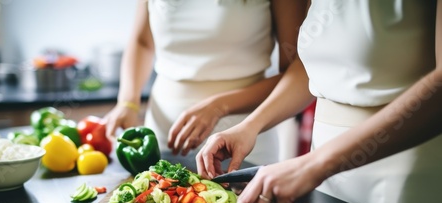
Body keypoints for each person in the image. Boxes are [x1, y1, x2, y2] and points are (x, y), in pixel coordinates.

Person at [196, 0, 442, 203]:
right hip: (324, 160)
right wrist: (249, 127)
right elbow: (310, 69)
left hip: (402, 163)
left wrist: (314, 164)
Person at [102, 0, 307, 165]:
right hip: (161, 132)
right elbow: (143, 42)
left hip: (242, 139)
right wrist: (127, 102)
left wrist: (219, 106)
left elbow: (297, 71)